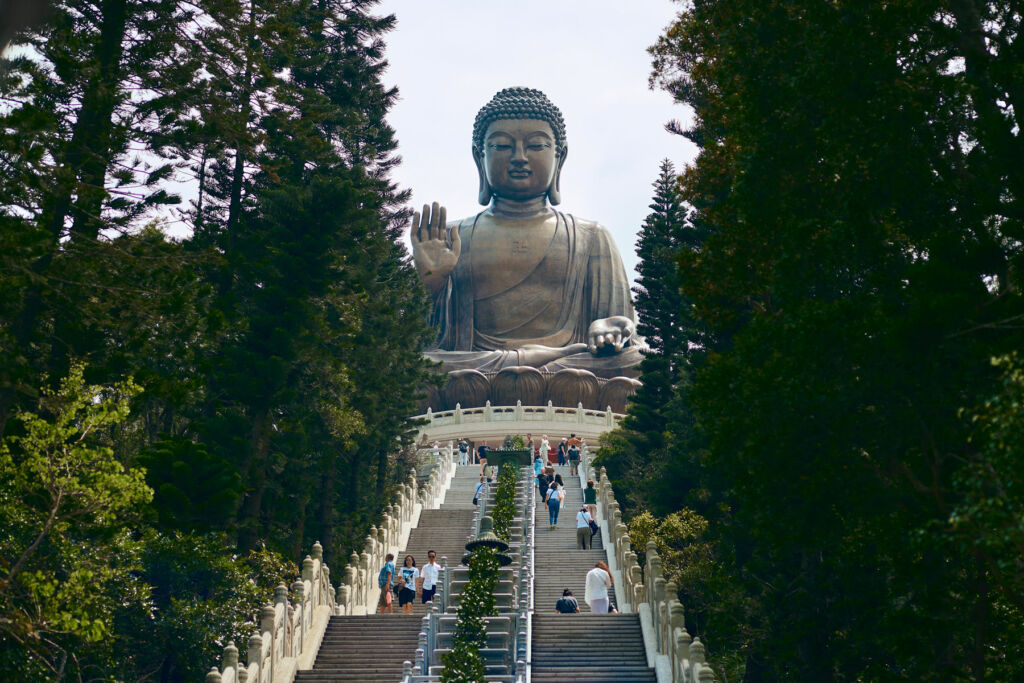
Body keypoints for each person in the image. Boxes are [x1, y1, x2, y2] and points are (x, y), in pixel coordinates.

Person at [412, 87, 643, 377]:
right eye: (502, 146)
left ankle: (542, 364)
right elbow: (416, 342)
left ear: (560, 158)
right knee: (414, 368)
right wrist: (431, 284)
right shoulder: (451, 237)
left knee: (639, 362)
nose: (519, 157)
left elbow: (622, 334)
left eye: (536, 145)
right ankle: (534, 365)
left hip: (571, 369)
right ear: (478, 157)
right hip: (477, 369)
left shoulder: (591, 237)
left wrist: (609, 329)